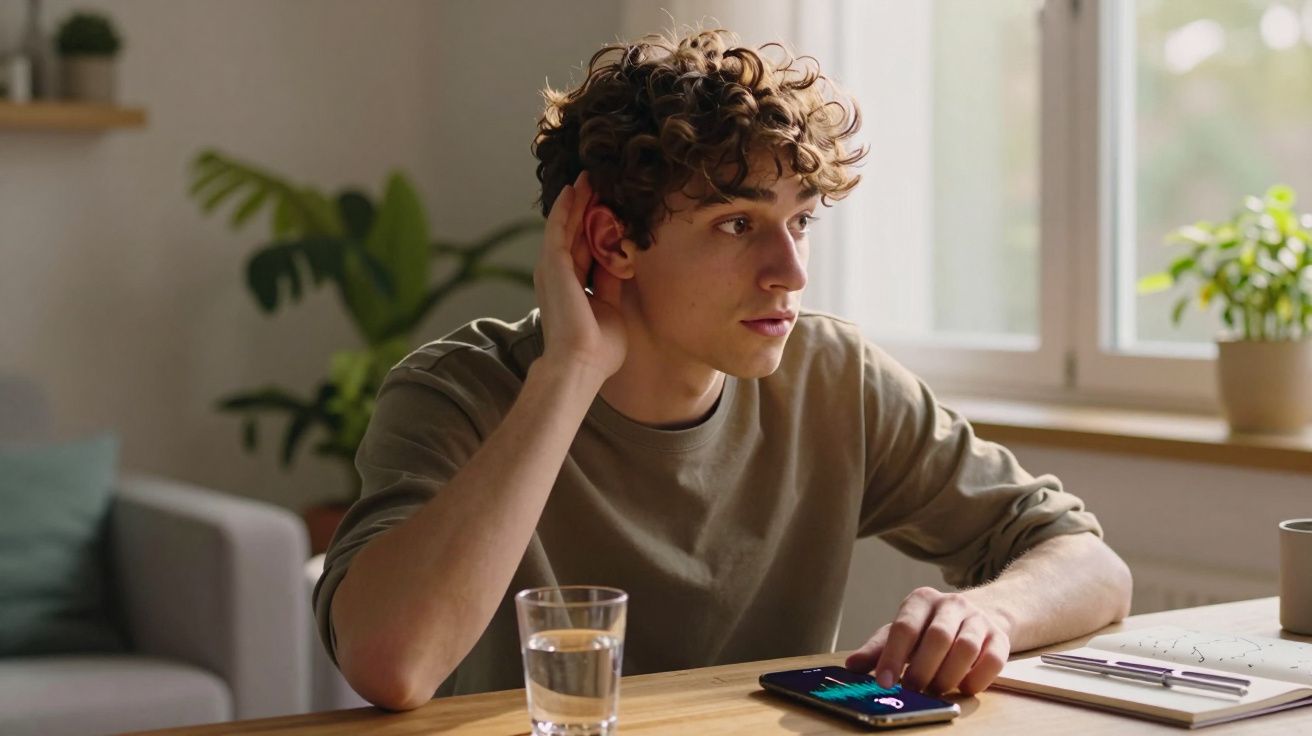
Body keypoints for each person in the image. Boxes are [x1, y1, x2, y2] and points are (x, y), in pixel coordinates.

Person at [313, 27, 1133, 712]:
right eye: (738, 225)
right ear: (612, 241)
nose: (791, 272)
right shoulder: (456, 393)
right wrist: (568, 375)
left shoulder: (833, 378)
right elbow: (392, 665)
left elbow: (1088, 563)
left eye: (800, 221)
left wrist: (989, 613)